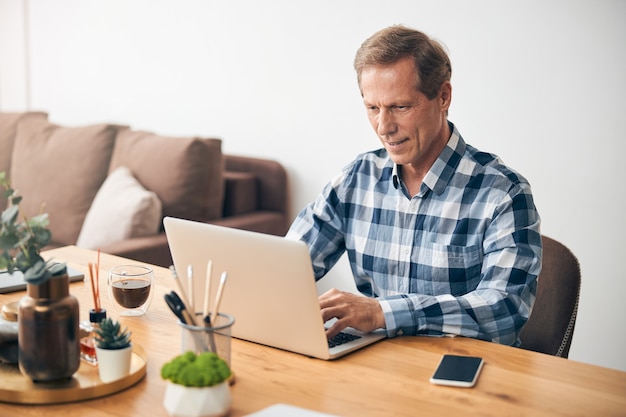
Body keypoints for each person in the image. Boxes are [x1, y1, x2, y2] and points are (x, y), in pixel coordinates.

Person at [286, 25, 542, 347]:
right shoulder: (356, 179)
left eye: (400, 107)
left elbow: (504, 310)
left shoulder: (503, 192)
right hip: (375, 364)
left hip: (460, 371)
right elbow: (286, 265)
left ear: (443, 97)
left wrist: (383, 312)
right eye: (372, 108)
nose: (384, 127)